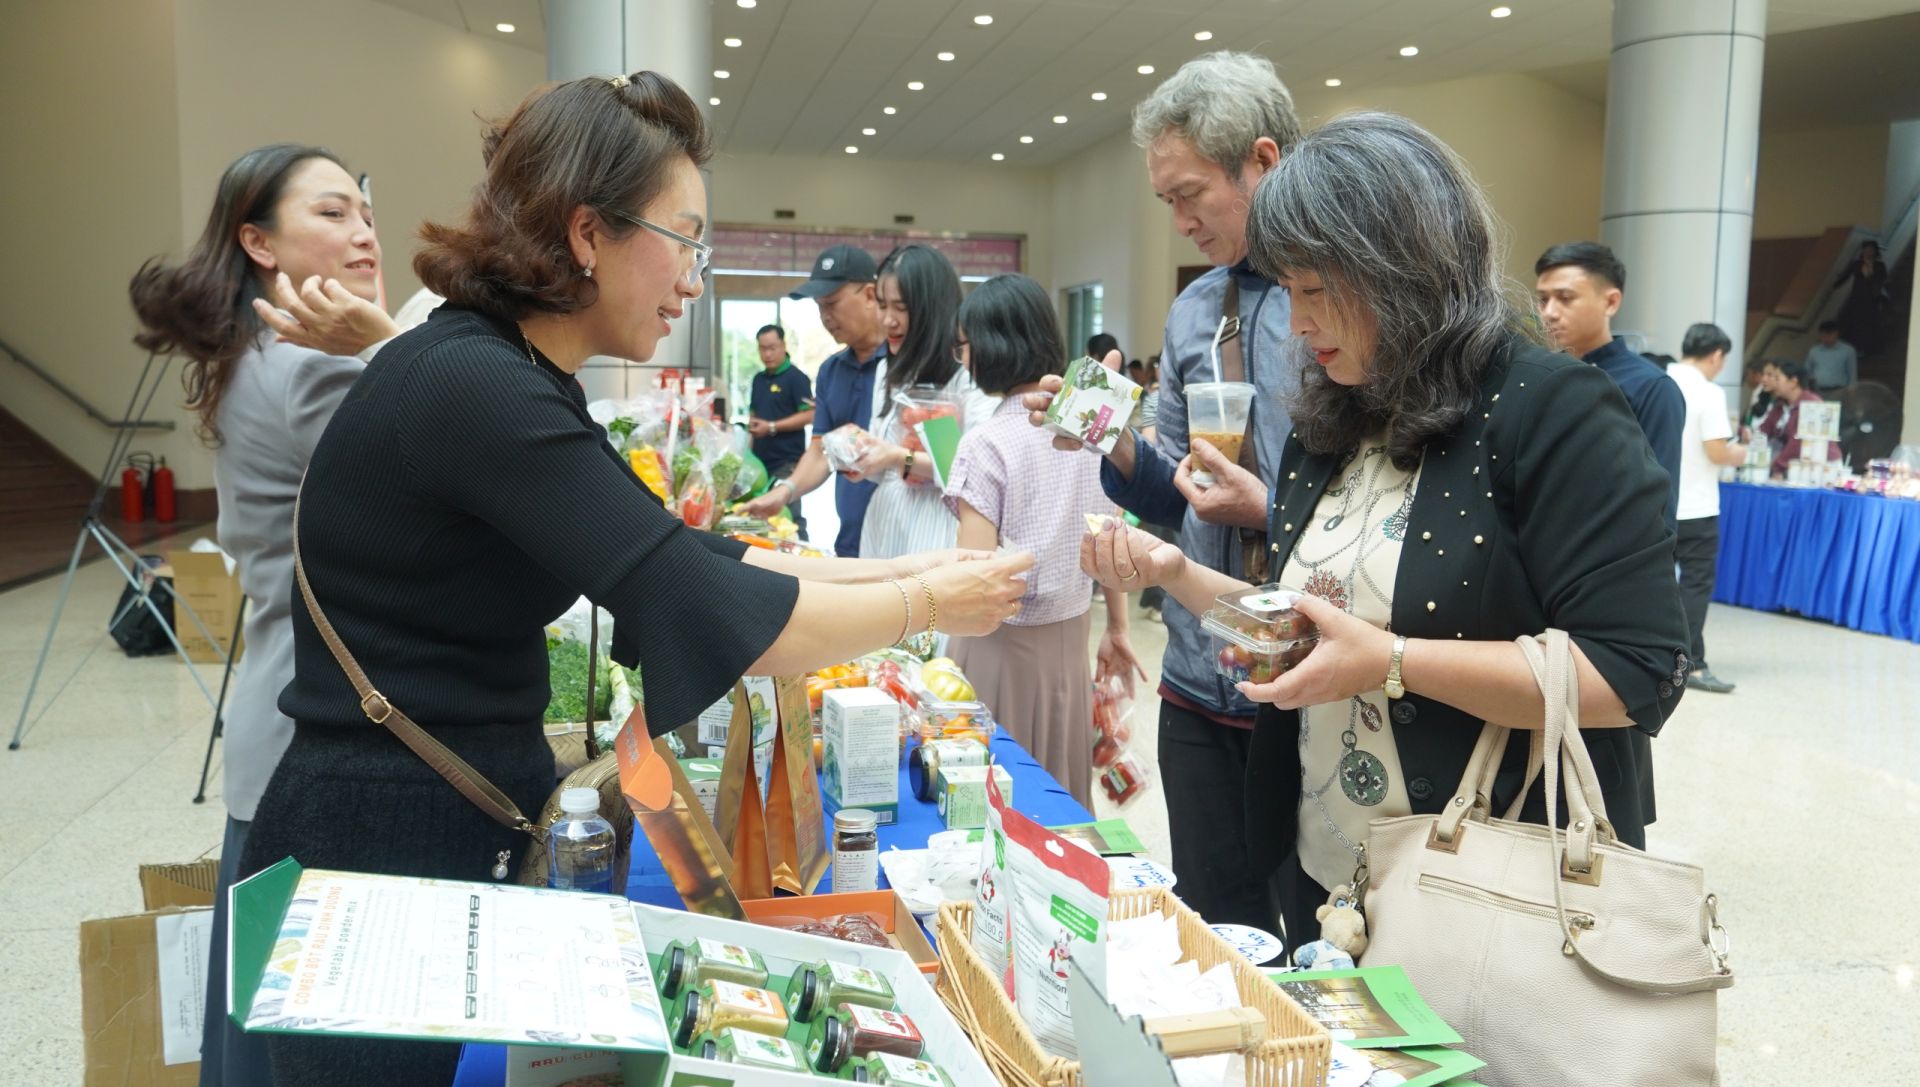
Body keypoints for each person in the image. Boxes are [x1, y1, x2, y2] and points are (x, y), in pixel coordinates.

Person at [239, 72, 1029, 1086]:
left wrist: (922, 563)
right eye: (687, 238)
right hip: (376, 858)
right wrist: (932, 604)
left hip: (428, 828)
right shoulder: (474, 385)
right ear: (586, 234)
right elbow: (704, 601)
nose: (696, 277)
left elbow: (689, 550)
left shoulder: (511, 373)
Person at [1079, 111, 1690, 949]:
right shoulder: (1329, 418)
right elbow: (1303, 615)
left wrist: (1394, 662)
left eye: (1313, 290)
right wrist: (1173, 569)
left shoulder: (1550, 409)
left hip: (1483, 883)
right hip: (1328, 873)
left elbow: (1637, 671)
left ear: (1400, 268)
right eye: (1285, 289)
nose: (1295, 322)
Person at [126, 143, 397, 1087]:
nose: (362, 230)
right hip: (313, 734)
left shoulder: (257, 355)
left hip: (273, 719)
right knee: (299, 1030)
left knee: (256, 1024)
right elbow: (445, 482)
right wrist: (389, 344)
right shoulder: (311, 371)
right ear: (260, 242)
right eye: (330, 212)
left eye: (363, 211)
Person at [1028, 51, 1302, 935]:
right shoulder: (1196, 314)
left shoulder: (1344, 302)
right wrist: (1110, 434)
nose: (1179, 220)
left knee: (1313, 934)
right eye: (1167, 203)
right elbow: (1171, 491)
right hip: (1197, 674)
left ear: (1262, 160)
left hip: (1311, 674)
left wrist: (1267, 508)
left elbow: (1386, 509)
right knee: (1215, 928)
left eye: (1190, 195)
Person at [944, 275, 1141, 806]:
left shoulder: (986, 442)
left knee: (993, 797)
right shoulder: (1090, 423)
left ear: (988, 347)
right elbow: (1112, 533)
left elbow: (975, 574)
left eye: (964, 345)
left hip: (998, 642)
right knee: (1057, 794)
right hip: (1072, 636)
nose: (962, 358)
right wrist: (1118, 627)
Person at [739, 245, 887, 555]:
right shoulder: (831, 371)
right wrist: (785, 492)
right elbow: (821, 451)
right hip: (851, 539)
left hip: (906, 541)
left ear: (871, 295)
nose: (825, 317)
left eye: (832, 303)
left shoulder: (911, 364)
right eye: (819, 307)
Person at [852, 244, 997, 560]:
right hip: (886, 521)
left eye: (900, 307)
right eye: (882, 305)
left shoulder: (968, 376)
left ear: (932, 309)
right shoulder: (887, 370)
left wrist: (895, 457)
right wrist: (862, 456)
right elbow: (884, 468)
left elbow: (976, 474)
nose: (888, 320)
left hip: (938, 525)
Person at [1534, 241, 1684, 529]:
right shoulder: (1540, 376)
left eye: (1565, 298)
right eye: (1543, 299)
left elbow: (1659, 505)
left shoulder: (1651, 387)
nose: (1550, 312)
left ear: (1611, 302)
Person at [1670, 324, 1747, 695]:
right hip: (1697, 505)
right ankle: (1691, 663)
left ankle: (1658, 652)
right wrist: (1741, 453)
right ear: (1716, 354)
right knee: (1696, 583)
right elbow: (1717, 450)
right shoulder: (1709, 392)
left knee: (1659, 580)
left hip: (1659, 502)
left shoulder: (1659, 379)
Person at [745, 323, 813, 532]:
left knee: (789, 518)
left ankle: (801, 560)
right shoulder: (758, 379)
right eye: (762, 348)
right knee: (764, 519)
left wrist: (772, 427)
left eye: (772, 347)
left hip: (787, 462)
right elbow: (754, 413)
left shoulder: (796, 378)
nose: (767, 354)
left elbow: (810, 414)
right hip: (760, 463)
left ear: (783, 345)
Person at [1755, 359, 1837, 477]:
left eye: (1777, 378)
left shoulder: (1813, 405)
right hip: (1794, 467)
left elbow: (1797, 444)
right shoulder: (1780, 406)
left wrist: (1777, 466)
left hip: (1822, 469)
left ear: (1793, 382)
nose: (1773, 382)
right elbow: (1764, 430)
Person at [1834, 239, 1888, 355]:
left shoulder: (1880, 265)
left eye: (1871, 250)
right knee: (1853, 322)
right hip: (1857, 297)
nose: (1868, 252)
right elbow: (1845, 275)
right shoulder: (1856, 264)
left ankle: (1870, 349)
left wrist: (1870, 272)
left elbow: (1882, 279)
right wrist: (1834, 285)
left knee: (1869, 323)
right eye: (1866, 250)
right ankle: (1855, 348)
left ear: (1875, 252)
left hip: (1871, 298)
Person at [1804, 320, 1858, 394]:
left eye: (1829, 335)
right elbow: (1807, 371)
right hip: (1818, 390)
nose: (1826, 339)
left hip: (1839, 390)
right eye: (1823, 336)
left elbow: (1852, 373)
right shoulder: (1814, 351)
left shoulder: (1848, 351)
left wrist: (1852, 391)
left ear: (1836, 334)